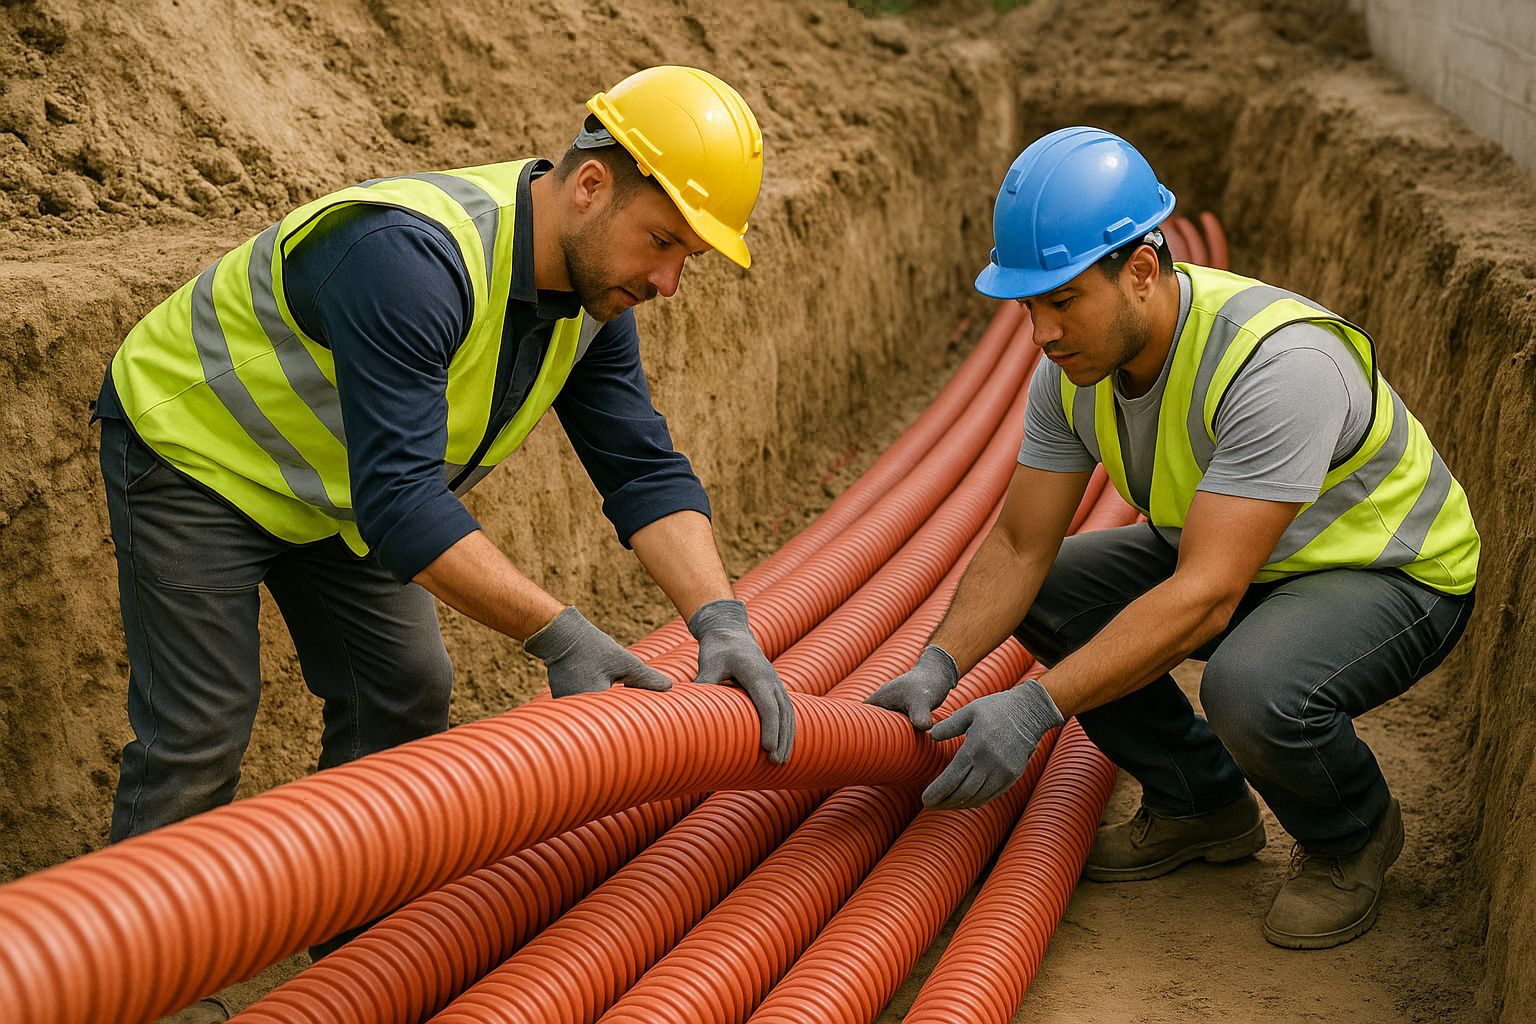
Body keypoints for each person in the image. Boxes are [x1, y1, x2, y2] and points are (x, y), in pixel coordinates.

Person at [94, 65, 793, 859]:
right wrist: (562, 636)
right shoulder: (410, 259)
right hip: (197, 457)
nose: (668, 282)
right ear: (591, 187)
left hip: (339, 491)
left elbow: (640, 469)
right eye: (663, 242)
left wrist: (720, 621)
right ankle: (140, 937)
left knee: (404, 688)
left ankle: (351, 912)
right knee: (204, 724)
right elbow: (401, 503)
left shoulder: (592, 304)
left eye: (688, 257)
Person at [867, 126, 1478, 950]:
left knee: (1250, 687)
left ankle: (1352, 837)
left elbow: (1207, 595)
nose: (1041, 333)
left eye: (1062, 300)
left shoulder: (1277, 363)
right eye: (1028, 307)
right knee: (1052, 591)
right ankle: (1201, 804)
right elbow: (1019, 548)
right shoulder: (1070, 374)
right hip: (1243, 556)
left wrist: (1036, 708)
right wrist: (937, 667)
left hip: (1387, 572)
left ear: (1143, 272)